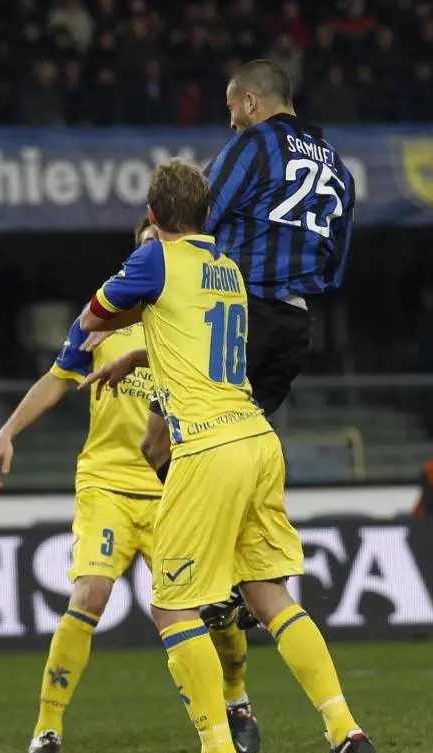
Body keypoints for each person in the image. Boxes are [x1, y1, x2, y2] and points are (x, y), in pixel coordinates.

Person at [80, 158, 374, 753]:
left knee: (171, 603)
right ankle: (344, 728)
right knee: (268, 594)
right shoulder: (228, 267)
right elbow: (191, 336)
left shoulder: (154, 259)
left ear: (152, 216)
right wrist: (143, 346)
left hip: (207, 447)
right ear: (209, 214)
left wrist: (111, 328)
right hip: (258, 439)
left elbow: (92, 318)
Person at [91, 59, 357, 651]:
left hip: (236, 316)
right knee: (240, 443)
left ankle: (214, 573)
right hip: (295, 323)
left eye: (233, 110)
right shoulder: (339, 165)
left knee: (161, 443)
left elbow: (198, 213)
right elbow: (335, 262)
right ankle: (248, 577)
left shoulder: (258, 144)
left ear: (254, 104)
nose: (231, 121)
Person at [0, 219, 258, 753]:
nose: (155, 249)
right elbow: (58, 379)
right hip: (107, 481)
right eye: (147, 242)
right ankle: (48, 729)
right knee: (89, 595)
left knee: (214, 609)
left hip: (174, 484)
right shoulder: (107, 322)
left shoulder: (188, 322)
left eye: (162, 240)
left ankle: (237, 700)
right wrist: (8, 431)